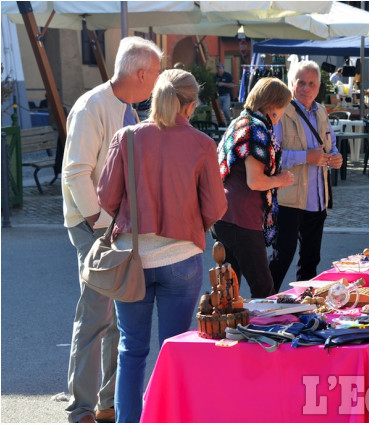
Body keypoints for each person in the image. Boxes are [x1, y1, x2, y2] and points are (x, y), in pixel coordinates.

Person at [97, 69, 227, 422]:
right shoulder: (202, 144)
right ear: (190, 104)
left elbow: (106, 198)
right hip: (181, 257)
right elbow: (216, 208)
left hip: (132, 257)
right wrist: (188, 222)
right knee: (175, 353)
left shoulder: (127, 138)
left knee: (131, 350)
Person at [61, 36, 162, 423]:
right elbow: (75, 174)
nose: (155, 82)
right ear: (141, 73)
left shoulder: (124, 107)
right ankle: (82, 408)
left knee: (119, 319)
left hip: (111, 228)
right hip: (95, 227)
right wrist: (100, 225)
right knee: (95, 318)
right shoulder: (93, 106)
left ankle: (107, 404)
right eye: (154, 74)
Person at [212, 78, 295, 298]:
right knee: (263, 288)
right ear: (272, 104)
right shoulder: (255, 129)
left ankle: (229, 331)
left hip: (224, 214)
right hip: (241, 217)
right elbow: (255, 181)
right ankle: (265, 332)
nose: (282, 115)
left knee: (228, 291)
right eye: (282, 108)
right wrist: (282, 179)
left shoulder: (240, 122)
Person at [268, 60, 343, 292]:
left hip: (317, 199)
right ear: (291, 84)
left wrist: (336, 157)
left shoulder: (321, 111)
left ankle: (304, 306)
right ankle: (262, 302)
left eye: (311, 84)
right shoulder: (281, 111)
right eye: (301, 83)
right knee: (282, 258)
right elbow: (273, 155)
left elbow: (331, 145)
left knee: (311, 260)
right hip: (290, 197)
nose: (306, 88)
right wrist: (305, 157)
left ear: (319, 87)